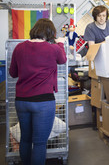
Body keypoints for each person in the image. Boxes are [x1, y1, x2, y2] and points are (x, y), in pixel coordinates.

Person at [9, 18, 67, 165]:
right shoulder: (53, 48)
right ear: (50, 33)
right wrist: (60, 43)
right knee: (40, 143)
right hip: (43, 102)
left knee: (26, 139)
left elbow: (13, 73)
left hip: (22, 101)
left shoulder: (19, 48)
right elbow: (63, 60)